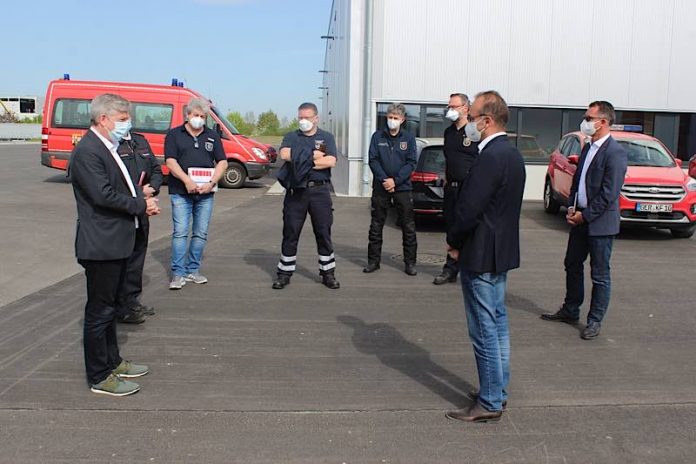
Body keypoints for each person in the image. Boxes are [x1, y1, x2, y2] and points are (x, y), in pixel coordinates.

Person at [69, 93, 161, 396]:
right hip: (102, 244)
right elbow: (103, 195)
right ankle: (99, 375)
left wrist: (141, 197)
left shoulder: (109, 147)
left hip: (118, 240)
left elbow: (122, 186)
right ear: (103, 119)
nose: (127, 125)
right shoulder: (88, 151)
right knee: (99, 311)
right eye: (122, 120)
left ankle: (113, 361)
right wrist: (140, 206)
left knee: (109, 309)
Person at [445, 91, 526, 422]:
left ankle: (490, 400)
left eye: (472, 114)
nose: (468, 120)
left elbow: (469, 209)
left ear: (487, 120)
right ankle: (498, 390)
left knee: (484, 329)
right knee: (497, 323)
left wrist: (453, 241)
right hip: (500, 251)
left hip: (480, 254)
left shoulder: (490, 156)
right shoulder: (512, 154)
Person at [540, 101, 627, 340]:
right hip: (579, 218)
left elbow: (609, 194)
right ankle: (570, 309)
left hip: (599, 223)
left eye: (589, 118)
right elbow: (579, 181)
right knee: (572, 264)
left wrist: (585, 215)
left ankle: (594, 320)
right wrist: (571, 206)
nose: (585, 122)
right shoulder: (588, 148)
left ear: (603, 122)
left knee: (599, 274)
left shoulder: (615, 153)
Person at [272, 102, 339, 290]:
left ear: (316, 118)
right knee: (290, 232)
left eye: (307, 118)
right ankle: (284, 273)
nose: (303, 121)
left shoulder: (326, 138)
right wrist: (312, 157)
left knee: (323, 232)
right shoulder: (292, 136)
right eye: (300, 118)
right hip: (296, 192)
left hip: (319, 191)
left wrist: (300, 160)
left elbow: (330, 161)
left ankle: (328, 273)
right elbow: (284, 154)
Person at [164, 98, 227, 290]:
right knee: (181, 232)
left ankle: (193, 270)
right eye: (195, 115)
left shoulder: (212, 136)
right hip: (181, 192)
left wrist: (211, 182)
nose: (199, 119)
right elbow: (171, 162)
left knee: (200, 233)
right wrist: (187, 180)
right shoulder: (174, 135)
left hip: (205, 193)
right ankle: (178, 273)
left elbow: (222, 162)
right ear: (187, 115)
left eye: (202, 116)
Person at [363, 103, 418, 276]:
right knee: (376, 225)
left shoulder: (408, 138)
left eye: (395, 118)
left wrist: (396, 181)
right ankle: (373, 261)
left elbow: (411, 163)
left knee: (408, 226)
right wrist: (385, 179)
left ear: (402, 120)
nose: (392, 120)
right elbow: (373, 159)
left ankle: (410, 263)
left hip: (402, 188)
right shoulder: (377, 136)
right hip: (381, 187)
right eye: (389, 117)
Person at [115, 130, 163, 323]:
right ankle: (120, 305)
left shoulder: (140, 141)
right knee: (121, 259)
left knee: (137, 256)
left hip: (142, 207)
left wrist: (152, 188)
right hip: (124, 210)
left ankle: (132, 300)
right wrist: (136, 192)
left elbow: (156, 170)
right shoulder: (111, 145)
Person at [433, 93, 479, 285]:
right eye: (448, 106)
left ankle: (472, 269)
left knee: (470, 228)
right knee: (452, 228)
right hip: (451, 189)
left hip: (469, 189)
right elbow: (449, 158)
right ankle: (450, 269)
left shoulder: (475, 131)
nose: (449, 110)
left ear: (465, 108)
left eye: (454, 106)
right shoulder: (449, 132)